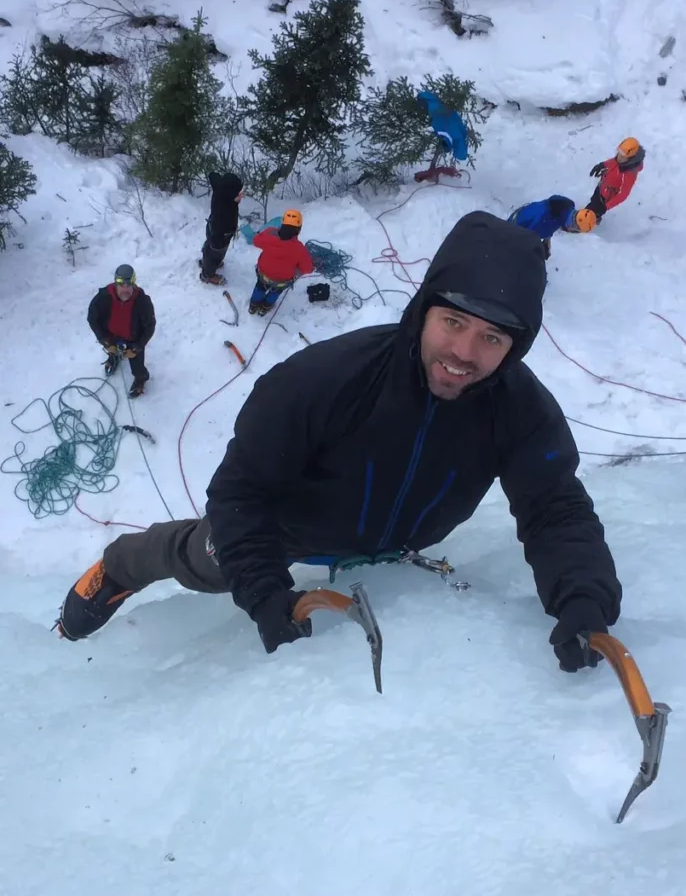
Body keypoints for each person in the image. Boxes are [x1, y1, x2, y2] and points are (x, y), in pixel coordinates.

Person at [58, 212, 622, 675]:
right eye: (453, 322)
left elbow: (554, 508)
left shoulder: (519, 408)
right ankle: (122, 567)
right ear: (424, 310)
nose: (465, 353)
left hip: (398, 543)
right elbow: (241, 492)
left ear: (514, 347)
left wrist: (583, 600)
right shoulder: (327, 379)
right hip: (289, 527)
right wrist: (264, 591)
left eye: (492, 337)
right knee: (206, 558)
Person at [87, 264, 156, 398]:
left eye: (128, 285)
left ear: (133, 284)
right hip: (111, 336)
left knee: (137, 367)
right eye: (121, 285)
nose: (125, 289)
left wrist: (138, 347)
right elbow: (92, 318)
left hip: (133, 340)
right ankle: (114, 358)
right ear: (116, 284)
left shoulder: (143, 301)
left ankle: (141, 379)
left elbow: (150, 326)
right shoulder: (103, 297)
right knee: (113, 350)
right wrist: (104, 340)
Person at [239, 209, 314, 315]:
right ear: (299, 229)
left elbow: (256, 241)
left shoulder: (269, 233)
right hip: (282, 280)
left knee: (260, 288)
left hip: (263, 273)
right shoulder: (299, 249)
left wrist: (270, 233)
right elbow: (307, 269)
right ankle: (265, 307)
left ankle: (253, 306)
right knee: (275, 292)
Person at [508, 196, 597, 259]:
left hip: (521, 214)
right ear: (573, 227)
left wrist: (546, 242)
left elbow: (551, 220)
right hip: (511, 232)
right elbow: (523, 240)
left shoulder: (566, 206)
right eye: (576, 231)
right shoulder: (544, 224)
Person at [199, 172, 244, 286]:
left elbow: (213, 175)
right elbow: (224, 226)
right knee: (216, 253)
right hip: (220, 236)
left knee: (210, 247)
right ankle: (208, 275)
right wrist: (228, 235)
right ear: (230, 196)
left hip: (212, 229)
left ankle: (207, 261)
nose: (241, 196)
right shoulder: (224, 211)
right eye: (238, 194)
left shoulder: (220, 190)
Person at [587, 137, 645, 221]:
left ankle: (584, 226)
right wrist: (602, 165)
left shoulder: (630, 173)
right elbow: (614, 162)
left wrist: (606, 207)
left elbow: (623, 194)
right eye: (618, 154)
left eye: (622, 157)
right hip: (602, 187)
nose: (618, 158)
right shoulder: (622, 160)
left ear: (630, 159)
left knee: (590, 213)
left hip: (606, 198)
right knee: (593, 201)